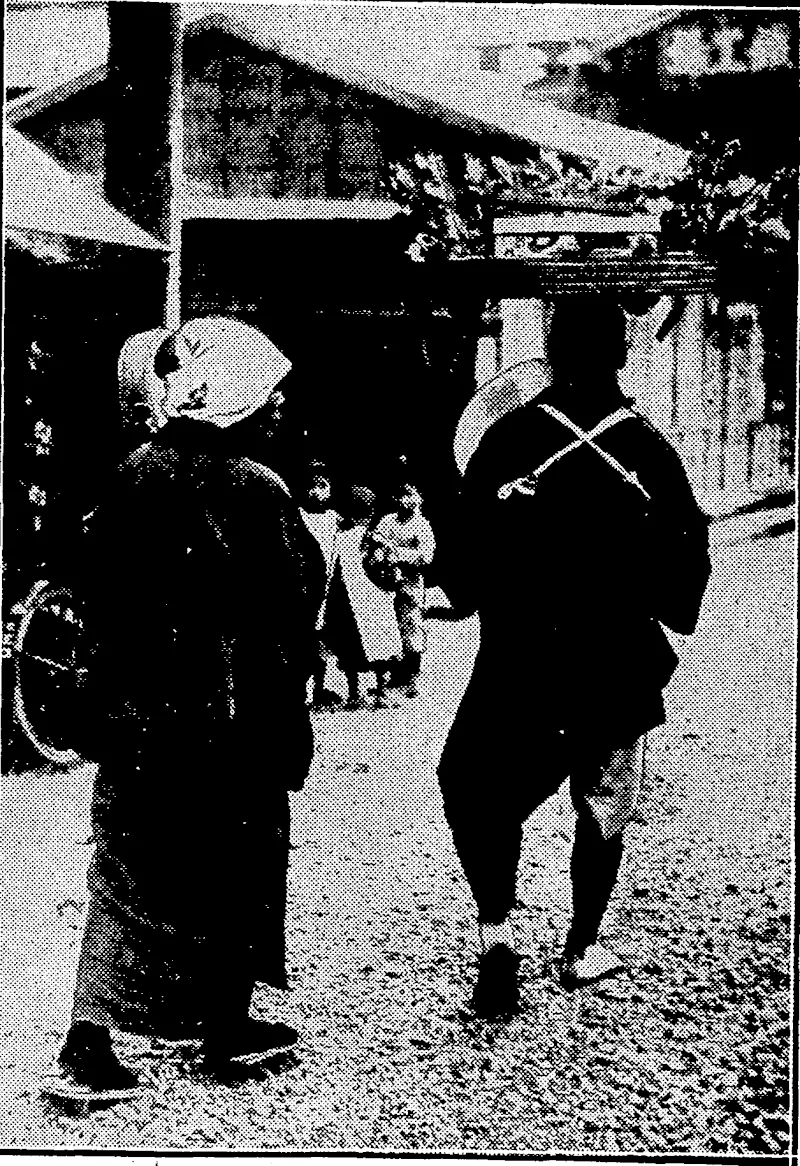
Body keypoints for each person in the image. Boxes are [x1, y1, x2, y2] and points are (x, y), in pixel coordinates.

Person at [45, 317, 325, 1101]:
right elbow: (293, 604)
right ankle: (225, 1029)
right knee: (237, 867)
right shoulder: (259, 489)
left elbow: (93, 582)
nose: (278, 409)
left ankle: (87, 1041)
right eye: (270, 395)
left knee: (127, 871)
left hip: (139, 717)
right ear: (240, 402)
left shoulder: (134, 471)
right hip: (231, 722)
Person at [436, 298, 711, 1019]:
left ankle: (496, 938)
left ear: (549, 354)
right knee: (604, 803)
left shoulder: (506, 436)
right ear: (623, 355)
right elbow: (685, 569)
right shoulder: (649, 448)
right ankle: (583, 946)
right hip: (616, 663)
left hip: (520, 662)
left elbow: (460, 576)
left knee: (476, 789)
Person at [365, 483, 436, 699]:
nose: (404, 500)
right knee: (387, 629)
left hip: (410, 583)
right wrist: (378, 554)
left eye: (410, 495)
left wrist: (397, 554)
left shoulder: (422, 525)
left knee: (411, 627)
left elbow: (426, 556)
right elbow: (373, 541)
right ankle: (390, 676)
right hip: (385, 583)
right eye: (401, 496)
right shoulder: (388, 520)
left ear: (418, 499)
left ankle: (412, 678)